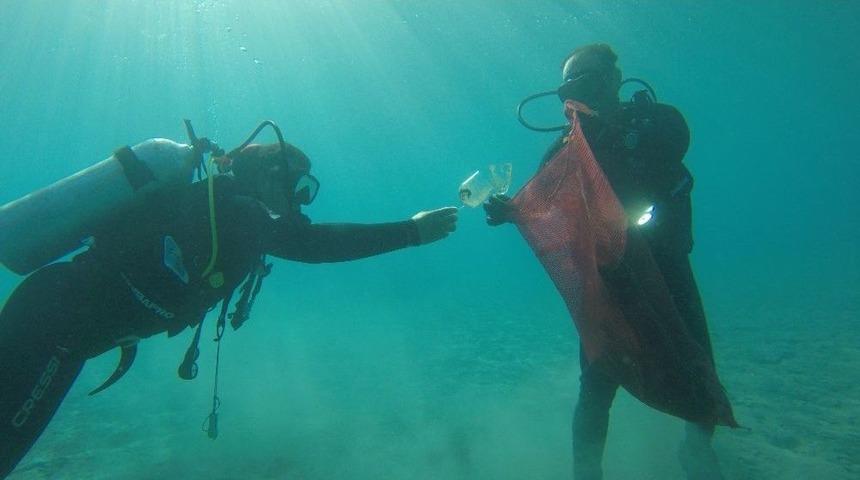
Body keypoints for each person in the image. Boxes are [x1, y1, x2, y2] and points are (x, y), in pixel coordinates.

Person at [0, 126, 458, 478]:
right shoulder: (239, 212)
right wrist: (410, 232)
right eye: (300, 187)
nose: (301, 201)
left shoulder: (224, 207)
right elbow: (314, 245)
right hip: (54, 328)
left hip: (54, 317)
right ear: (268, 175)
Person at [484, 44, 726, 479]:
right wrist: (509, 210)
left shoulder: (653, 120)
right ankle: (587, 472)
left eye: (591, 78)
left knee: (698, 365)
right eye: (572, 84)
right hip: (610, 278)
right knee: (597, 384)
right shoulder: (567, 146)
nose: (582, 91)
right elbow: (541, 200)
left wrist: (617, 126)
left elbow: (675, 140)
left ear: (615, 79)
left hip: (667, 264)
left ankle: (696, 450)